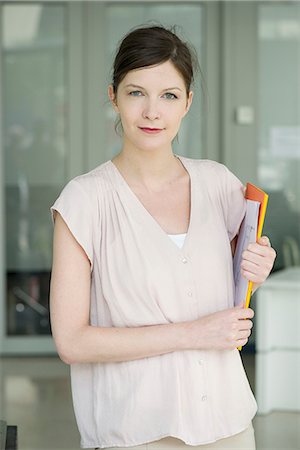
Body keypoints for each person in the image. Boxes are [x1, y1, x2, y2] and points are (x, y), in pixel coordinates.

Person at [49, 25, 276, 450]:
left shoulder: (220, 185)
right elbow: (72, 341)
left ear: (187, 103)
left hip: (228, 425)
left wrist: (256, 270)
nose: (153, 111)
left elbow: (228, 289)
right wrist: (193, 333)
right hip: (134, 432)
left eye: (169, 95)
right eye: (137, 93)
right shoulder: (85, 200)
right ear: (113, 96)